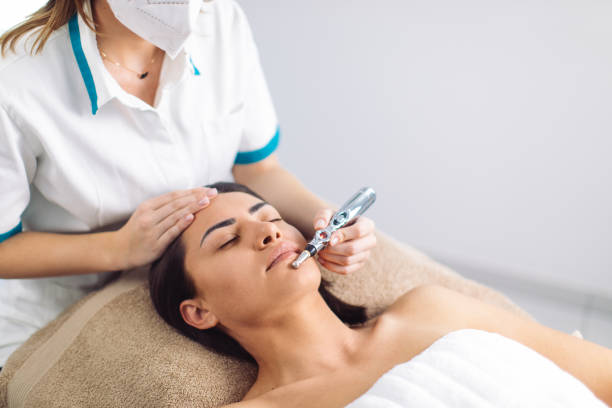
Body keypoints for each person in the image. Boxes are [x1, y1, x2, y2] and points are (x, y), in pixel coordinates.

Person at [0, 0, 376, 368]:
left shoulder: (219, 21)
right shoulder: (16, 83)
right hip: (58, 306)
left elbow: (258, 171)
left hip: (208, 285)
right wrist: (118, 248)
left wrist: (328, 222)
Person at [149, 182, 612, 408]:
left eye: (270, 216)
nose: (268, 234)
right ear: (198, 311)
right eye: (227, 240)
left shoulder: (431, 308)